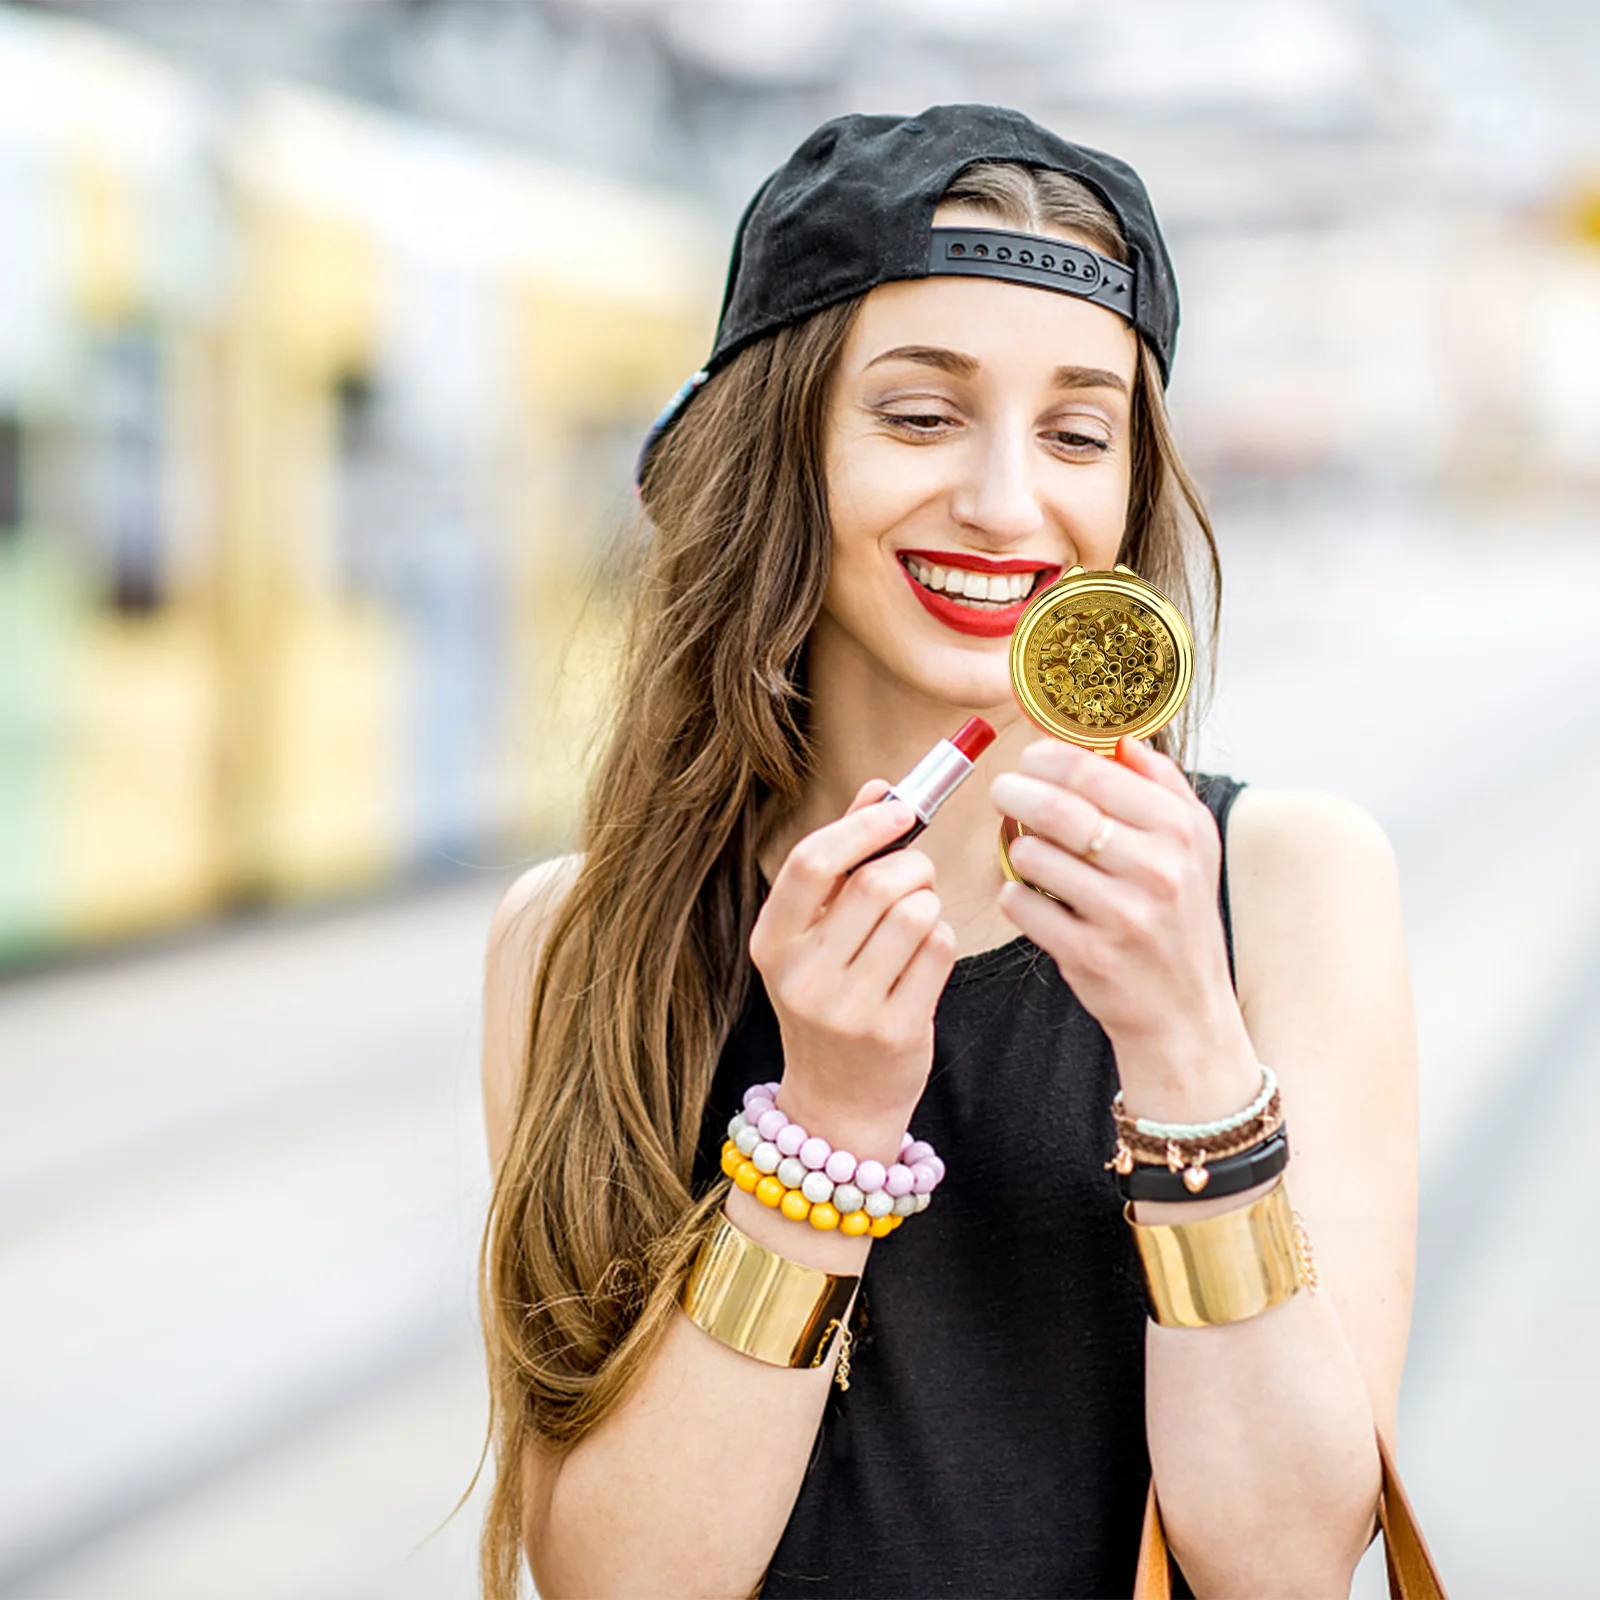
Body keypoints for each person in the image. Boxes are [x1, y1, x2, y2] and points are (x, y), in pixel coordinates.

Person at [478, 105, 1416, 1599]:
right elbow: (613, 1579)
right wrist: (826, 1135)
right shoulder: (579, 937)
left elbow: (1290, 1560)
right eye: (918, 416)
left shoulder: (1287, 882)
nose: (1002, 500)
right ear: (779, 450)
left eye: (1077, 432)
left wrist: (1183, 1045)